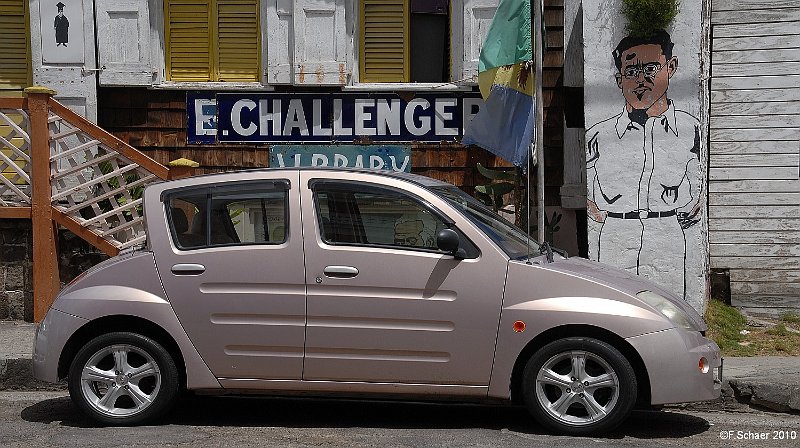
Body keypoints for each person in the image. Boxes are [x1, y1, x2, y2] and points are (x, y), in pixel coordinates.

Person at [585, 29, 701, 299]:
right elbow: (586, 178)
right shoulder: (599, 135)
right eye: (631, 71)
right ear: (618, 80)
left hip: (668, 230)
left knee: (670, 306)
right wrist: (597, 210)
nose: (641, 79)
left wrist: (692, 206)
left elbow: (701, 182)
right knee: (613, 305)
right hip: (615, 231)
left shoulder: (690, 129)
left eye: (650, 68)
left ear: (670, 67)